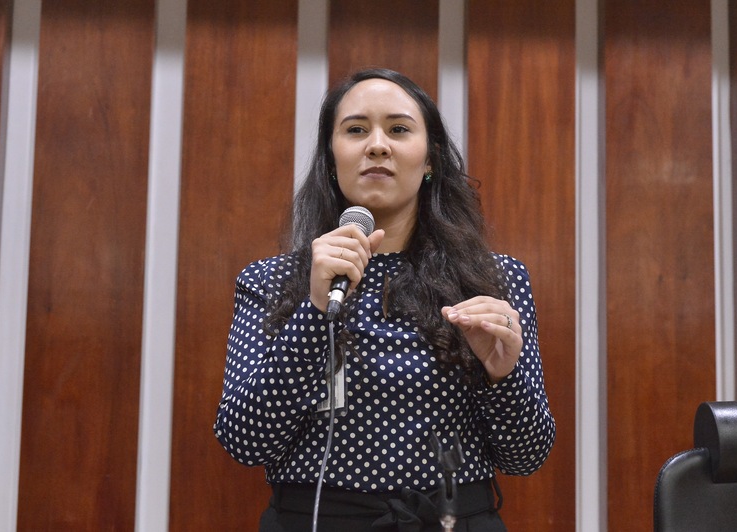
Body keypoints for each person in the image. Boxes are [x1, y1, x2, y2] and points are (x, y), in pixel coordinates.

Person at [214, 68, 555, 531]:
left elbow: (526, 456)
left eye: (398, 129)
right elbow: (244, 442)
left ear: (430, 159)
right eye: (356, 130)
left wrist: (502, 377)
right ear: (330, 159)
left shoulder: (494, 281)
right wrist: (314, 313)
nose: (377, 145)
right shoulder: (272, 280)